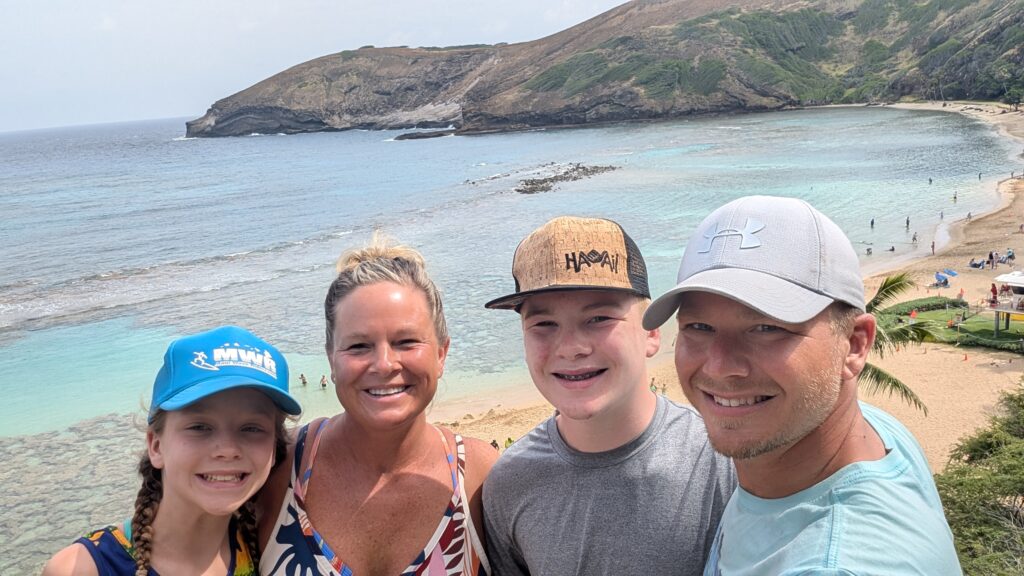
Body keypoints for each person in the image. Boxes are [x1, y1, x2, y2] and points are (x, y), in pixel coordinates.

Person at [642, 196, 961, 575]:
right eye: (698, 327)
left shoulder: (833, 564)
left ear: (855, 344)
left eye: (767, 328)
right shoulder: (877, 433)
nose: (720, 365)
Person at [483, 216, 735, 576]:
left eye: (599, 318)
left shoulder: (719, 460)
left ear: (651, 332)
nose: (571, 348)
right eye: (543, 325)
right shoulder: (511, 482)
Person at [258, 233, 497, 575]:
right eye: (358, 346)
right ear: (331, 359)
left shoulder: (477, 477)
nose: (384, 364)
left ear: (441, 354)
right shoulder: (276, 469)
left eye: (406, 342)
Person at [43, 325, 301, 576]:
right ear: (156, 446)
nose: (228, 449)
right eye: (200, 426)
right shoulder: (82, 568)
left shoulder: (273, 547)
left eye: (252, 428)